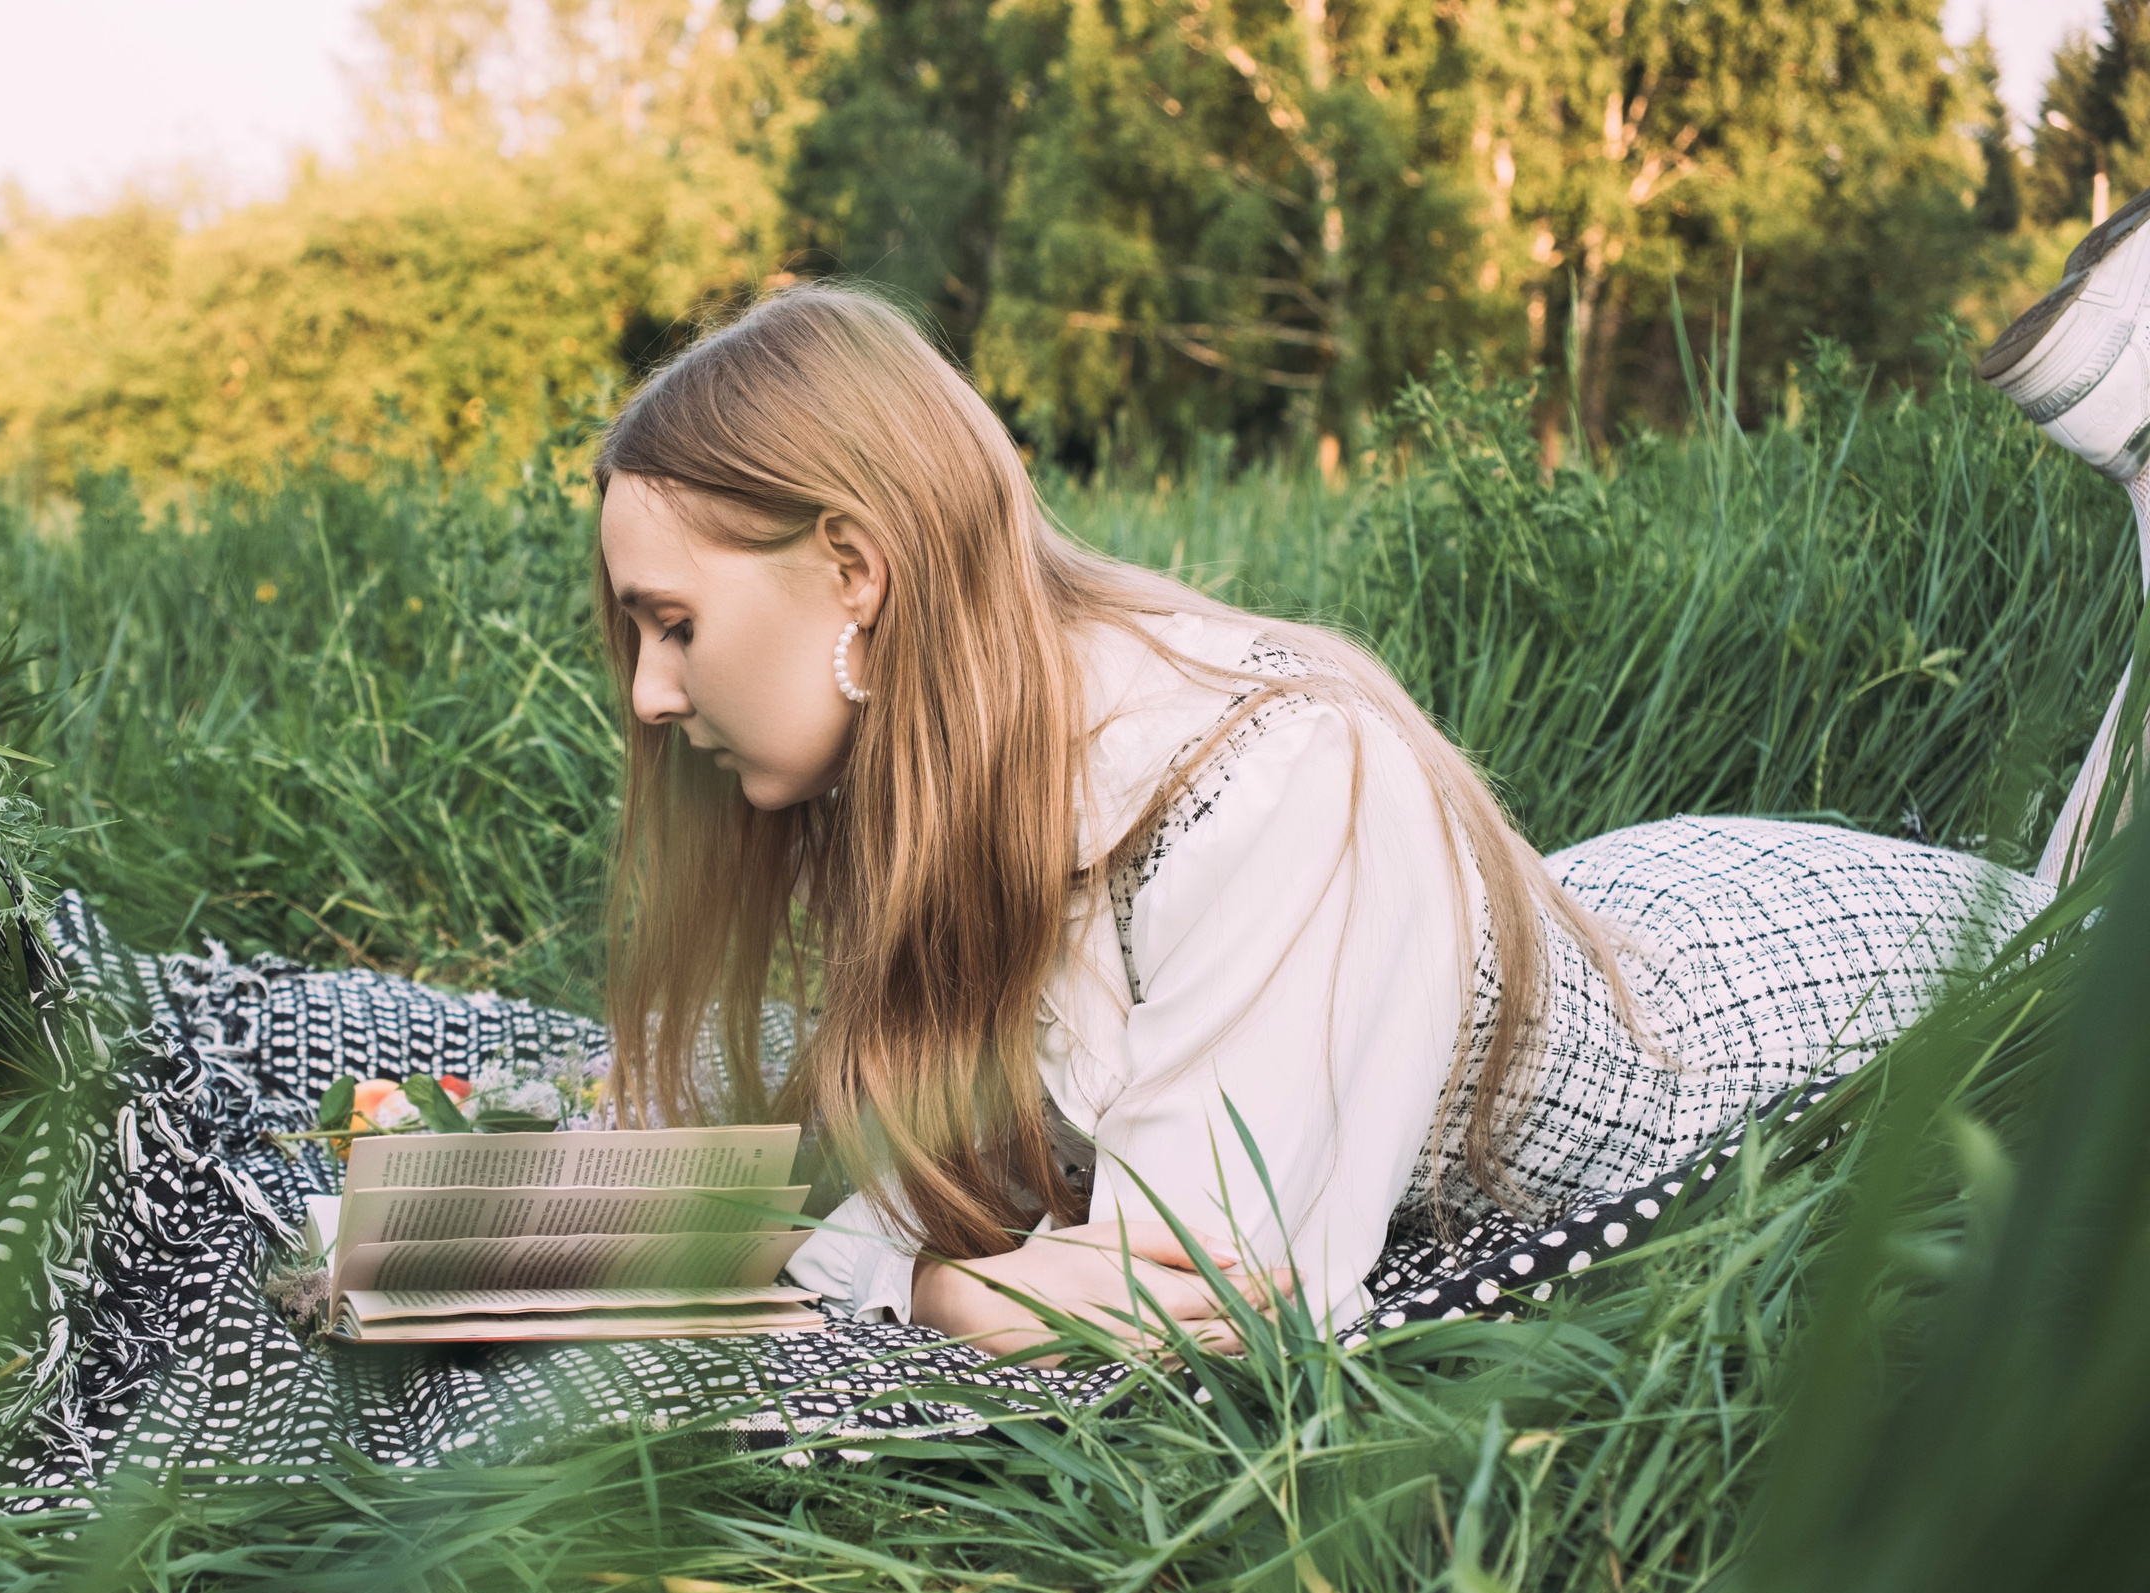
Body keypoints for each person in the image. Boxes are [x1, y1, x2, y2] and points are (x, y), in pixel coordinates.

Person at [590, 244, 2132, 1362]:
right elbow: (883, 1148)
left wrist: (917, 1284)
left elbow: (1183, 1300)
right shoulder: (929, 763)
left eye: (675, 624)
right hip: (1614, 903)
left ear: (853, 572)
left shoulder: (1270, 783)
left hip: (1787, 992)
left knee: (2092, 931)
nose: (653, 696)